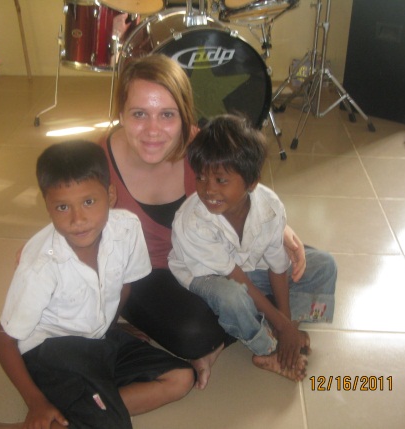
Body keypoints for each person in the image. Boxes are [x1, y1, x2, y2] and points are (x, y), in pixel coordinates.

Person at [99, 54, 336, 389]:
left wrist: (280, 228)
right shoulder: (97, 163)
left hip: (227, 253)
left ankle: (271, 324)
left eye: (167, 114)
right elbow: (77, 230)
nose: (153, 130)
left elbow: (243, 182)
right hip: (154, 273)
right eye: (139, 114)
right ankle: (256, 329)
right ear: (120, 113)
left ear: (184, 116)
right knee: (196, 334)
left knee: (319, 265)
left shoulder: (200, 144)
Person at [0, 141, 195, 429]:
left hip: (98, 339)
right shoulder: (41, 266)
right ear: (48, 207)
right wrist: (36, 402)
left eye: (89, 202)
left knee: (181, 378)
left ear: (110, 196)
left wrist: (111, 325)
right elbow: (3, 341)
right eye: (63, 207)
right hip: (53, 351)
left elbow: (124, 286)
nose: (78, 219)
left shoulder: (127, 229)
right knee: (113, 426)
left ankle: (89, 410)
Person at [169, 114, 336, 381]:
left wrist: (286, 322)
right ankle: (267, 348)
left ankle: (287, 331)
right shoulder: (192, 221)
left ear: (251, 182)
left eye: (221, 180)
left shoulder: (269, 206)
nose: (208, 190)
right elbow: (236, 278)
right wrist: (281, 325)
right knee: (232, 297)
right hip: (208, 277)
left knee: (324, 264)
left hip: (249, 267)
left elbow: (278, 265)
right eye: (200, 178)